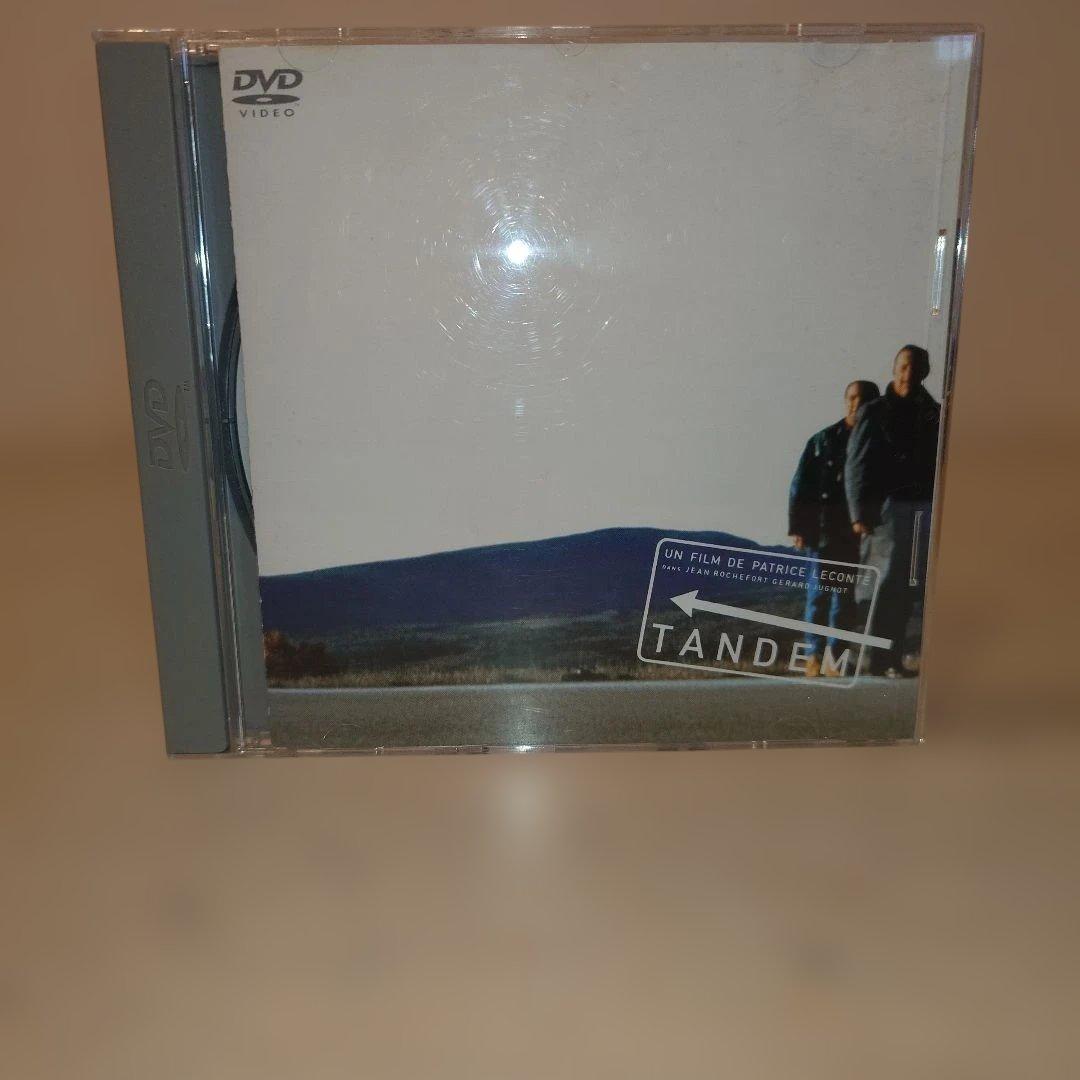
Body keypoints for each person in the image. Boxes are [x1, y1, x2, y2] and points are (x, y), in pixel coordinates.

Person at [845, 345, 940, 677]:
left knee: (908, 586)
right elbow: (856, 464)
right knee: (882, 584)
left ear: (925, 372)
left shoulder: (934, 412)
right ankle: (875, 658)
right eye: (903, 367)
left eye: (915, 368)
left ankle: (893, 658)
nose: (908, 374)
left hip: (922, 509)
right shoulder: (874, 411)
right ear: (894, 368)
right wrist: (858, 513)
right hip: (885, 512)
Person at [789, 379, 880, 676]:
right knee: (819, 594)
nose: (856, 404)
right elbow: (801, 486)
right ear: (845, 401)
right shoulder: (823, 441)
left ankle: (836, 657)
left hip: (858, 534)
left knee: (845, 597)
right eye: (852, 398)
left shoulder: (879, 442)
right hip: (823, 530)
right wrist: (798, 527)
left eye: (864, 400)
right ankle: (813, 655)